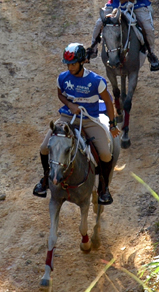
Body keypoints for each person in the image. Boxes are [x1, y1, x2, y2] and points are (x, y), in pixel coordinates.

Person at [33, 43, 120, 205]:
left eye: (73, 64)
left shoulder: (96, 81)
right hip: (67, 118)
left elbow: (108, 101)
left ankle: (103, 188)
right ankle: (45, 180)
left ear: (82, 62)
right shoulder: (63, 78)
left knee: (106, 154)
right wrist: (70, 105)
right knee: (44, 147)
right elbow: (60, 94)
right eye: (68, 64)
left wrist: (112, 124)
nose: (70, 67)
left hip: (89, 120)